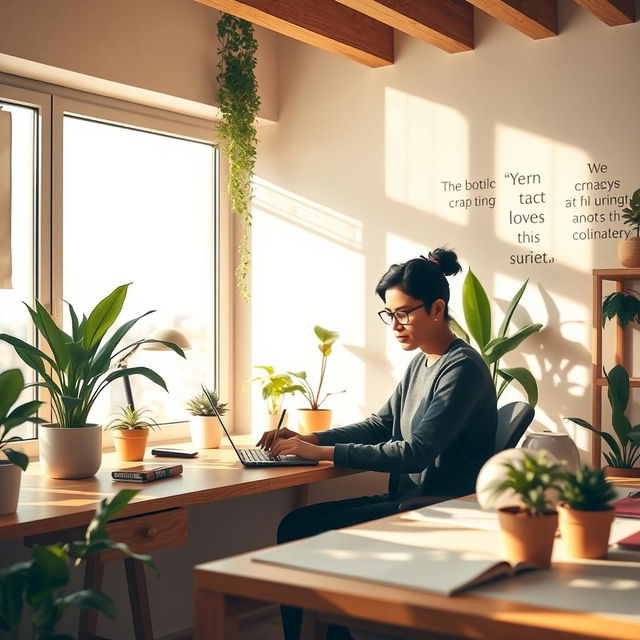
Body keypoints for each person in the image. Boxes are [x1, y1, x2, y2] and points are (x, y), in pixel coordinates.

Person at [257, 247, 498, 640]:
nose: (395, 325)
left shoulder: (463, 369)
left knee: (302, 532)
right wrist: (310, 437)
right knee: (296, 524)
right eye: (390, 315)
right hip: (409, 497)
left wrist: (320, 454)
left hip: (433, 506)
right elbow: (380, 424)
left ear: (437, 309)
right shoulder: (422, 361)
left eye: (403, 314)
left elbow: (417, 451)